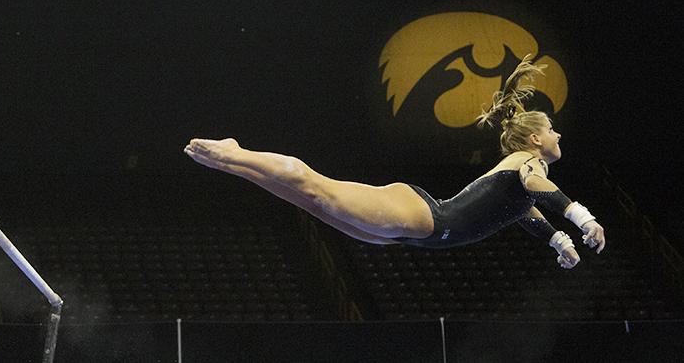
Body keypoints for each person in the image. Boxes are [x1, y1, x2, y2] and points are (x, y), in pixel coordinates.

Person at [184, 55, 605, 269]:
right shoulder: (527, 164)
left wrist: (558, 242)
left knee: (308, 202)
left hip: (417, 233)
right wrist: (583, 219)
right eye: (552, 129)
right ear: (534, 138)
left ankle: (232, 165)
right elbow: (535, 188)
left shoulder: (519, 173)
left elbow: (520, 209)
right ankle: (235, 151)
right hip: (427, 218)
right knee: (315, 187)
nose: (558, 134)